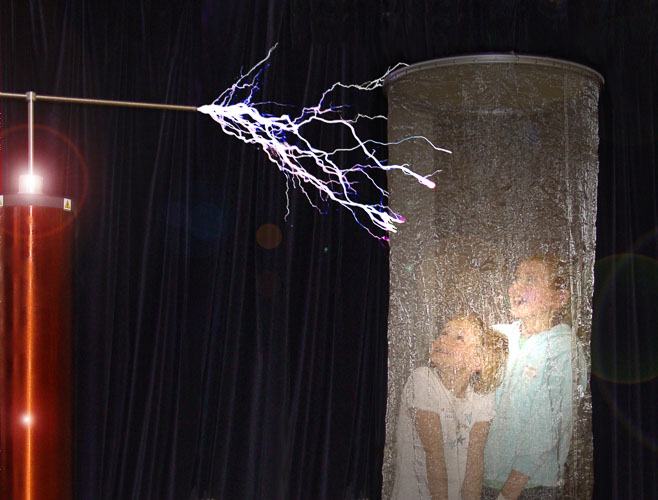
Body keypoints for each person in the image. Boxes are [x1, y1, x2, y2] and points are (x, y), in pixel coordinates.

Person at [482, 256, 587, 500]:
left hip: (532, 486)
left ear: (559, 298)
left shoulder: (563, 347)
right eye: (515, 279)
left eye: (530, 280)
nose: (515, 288)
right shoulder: (499, 336)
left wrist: (509, 492)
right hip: (486, 476)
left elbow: (547, 423)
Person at [392, 315, 508, 500]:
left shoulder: (481, 397)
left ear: (477, 361)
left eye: (459, 338)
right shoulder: (423, 380)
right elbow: (434, 454)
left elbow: (474, 462)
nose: (443, 339)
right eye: (443, 332)